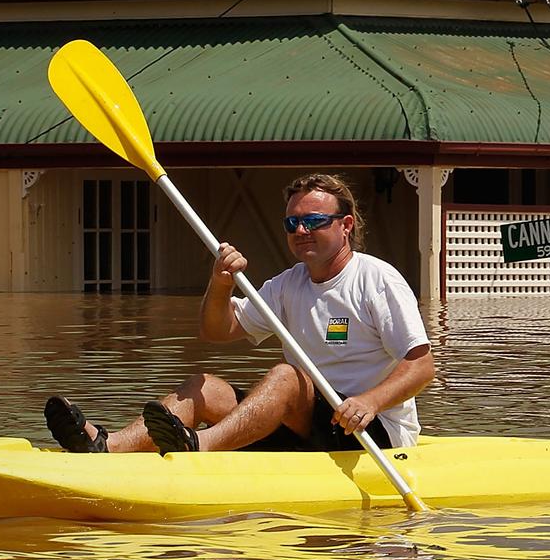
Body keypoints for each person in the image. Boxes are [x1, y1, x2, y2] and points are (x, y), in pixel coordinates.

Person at [44, 173, 434, 455]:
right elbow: (217, 331)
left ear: (345, 225)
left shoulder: (377, 279)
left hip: (371, 432)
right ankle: (106, 446)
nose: (301, 230)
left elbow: (421, 367)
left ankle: (200, 447)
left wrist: (368, 402)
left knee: (286, 376)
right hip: (308, 425)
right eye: (292, 222)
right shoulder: (287, 283)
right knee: (205, 387)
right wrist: (221, 283)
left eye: (314, 221)